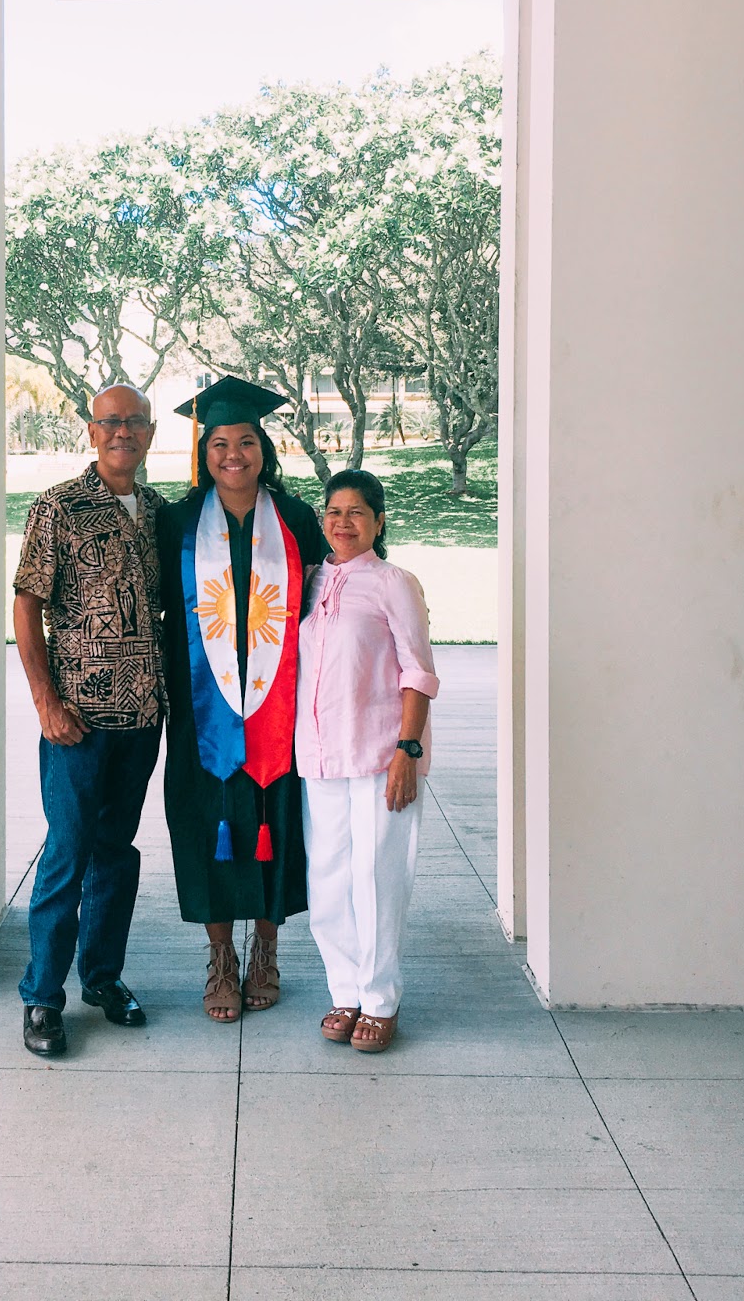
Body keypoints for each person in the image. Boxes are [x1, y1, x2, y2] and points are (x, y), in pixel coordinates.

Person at [158, 376, 327, 1022]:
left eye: (247, 441)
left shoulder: (297, 519)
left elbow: (322, 608)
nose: (234, 453)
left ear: (265, 448)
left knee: (276, 825)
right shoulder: (174, 521)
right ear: (205, 453)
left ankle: (267, 953)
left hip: (280, 711)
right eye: (220, 442)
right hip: (203, 714)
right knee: (207, 828)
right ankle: (222, 959)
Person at [12, 384, 164, 1057]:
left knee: (116, 852)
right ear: (92, 432)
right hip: (76, 720)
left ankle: (102, 979)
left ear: (150, 433)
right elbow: (26, 605)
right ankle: (43, 998)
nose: (122, 432)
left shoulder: (160, 513)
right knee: (68, 851)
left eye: (133, 422)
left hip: (140, 718)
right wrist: (46, 700)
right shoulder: (60, 508)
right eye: (110, 423)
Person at [295, 469, 440, 1053]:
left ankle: (380, 999)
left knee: (377, 877)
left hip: (382, 753)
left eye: (357, 512)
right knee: (328, 879)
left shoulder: (393, 583)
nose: (343, 522)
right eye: (333, 511)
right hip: (321, 754)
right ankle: (345, 991)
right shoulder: (307, 581)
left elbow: (419, 671)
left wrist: (408, 749)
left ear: (379, 522)